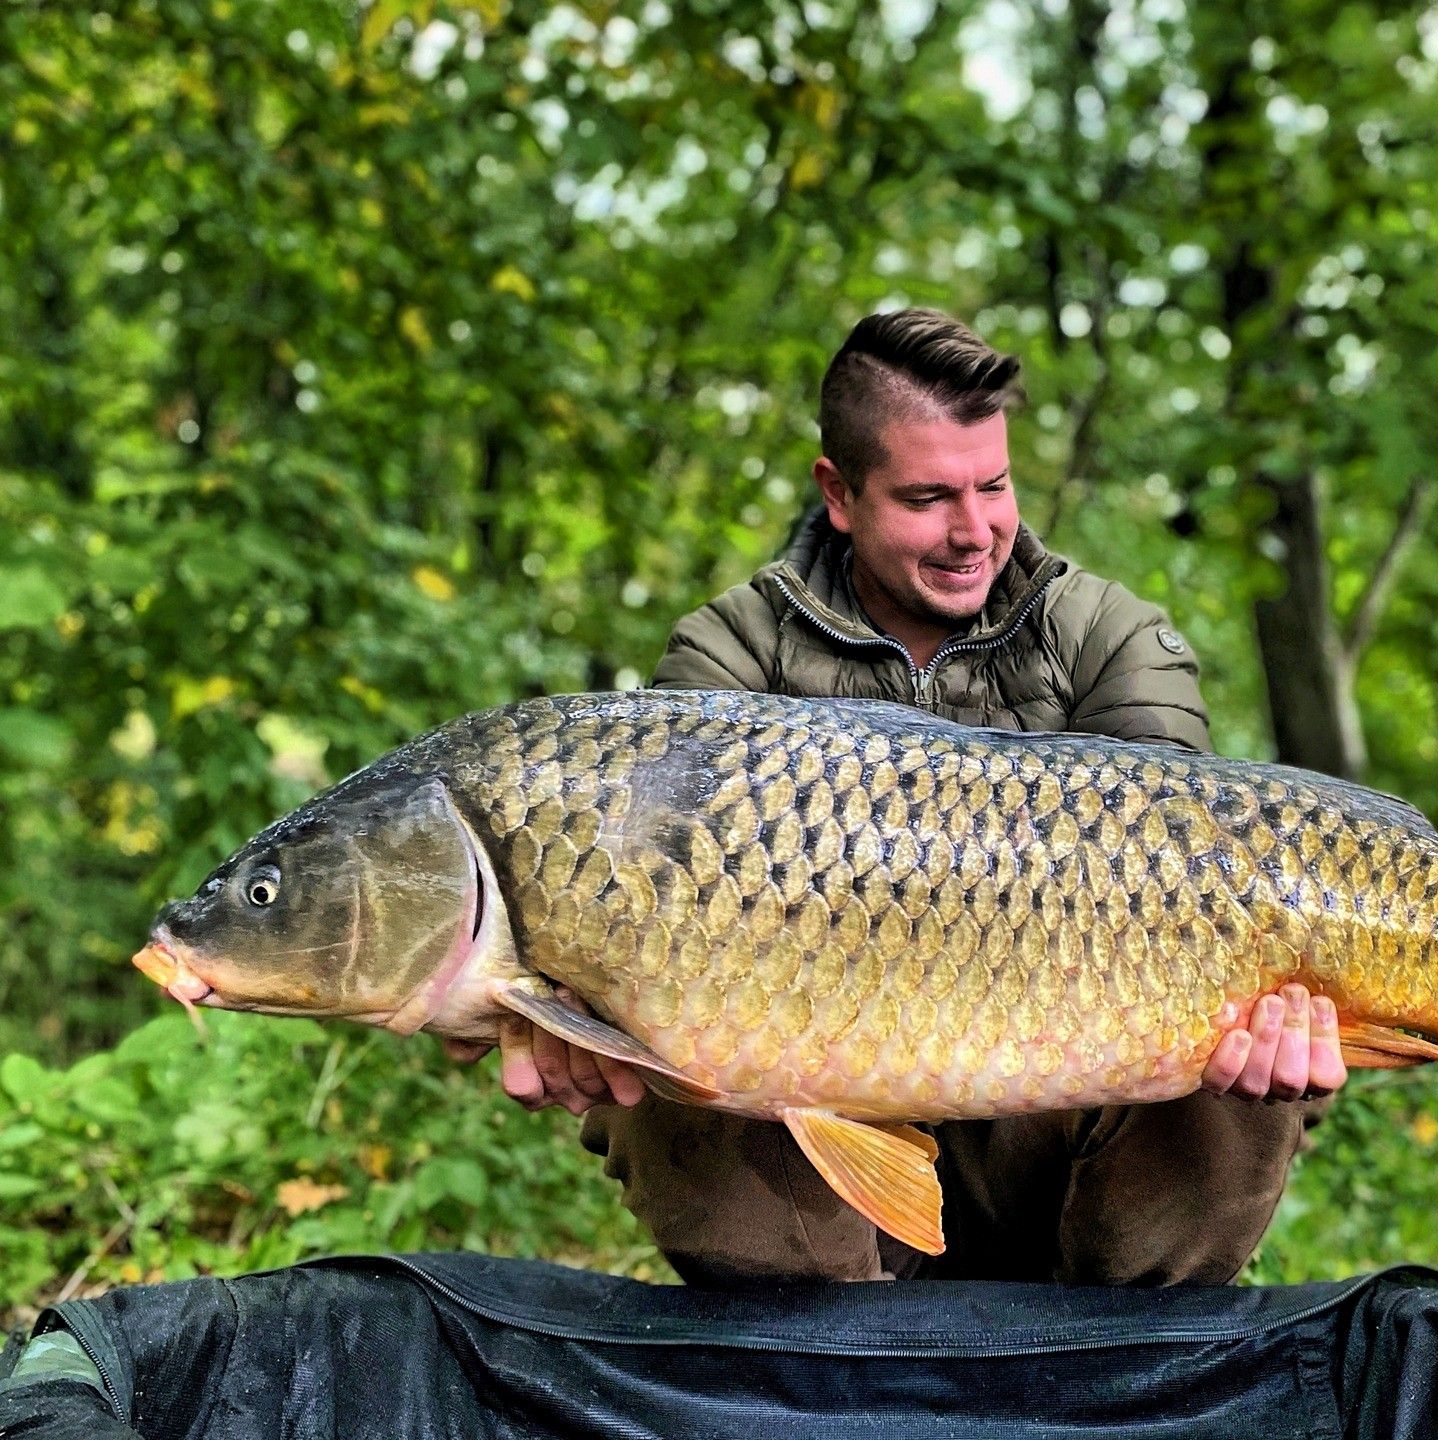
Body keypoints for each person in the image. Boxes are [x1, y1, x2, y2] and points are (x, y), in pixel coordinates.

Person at [457, 308, 1349, 1285]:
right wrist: (575, 1012)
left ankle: (1109, 1365)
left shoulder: (1108, 636)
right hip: (813, 1157)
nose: (976, 532)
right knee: (677, 1059)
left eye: (994, 485)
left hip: (1063, 1144)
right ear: (838, 494)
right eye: (928, 498)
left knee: (1235, 1036)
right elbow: (646, 909)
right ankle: (841, 1371)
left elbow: (1178, 880)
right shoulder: (730, 655)